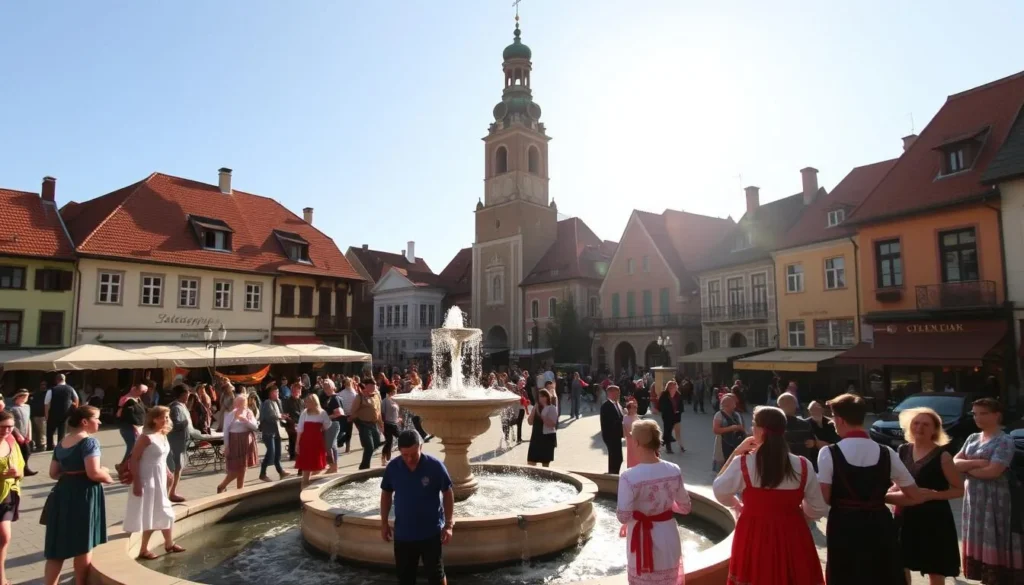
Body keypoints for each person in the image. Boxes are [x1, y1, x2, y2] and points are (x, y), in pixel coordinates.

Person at [818, 393, 927, 585]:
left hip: (844, 524)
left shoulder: (828, 453)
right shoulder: (887, 452)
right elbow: (915, 495)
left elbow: (825, 497)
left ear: (840, 420)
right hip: (878, 522)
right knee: (880, 574)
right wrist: (879, 498)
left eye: (833, 418)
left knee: (846, 574)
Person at [712, 406, 826, 585]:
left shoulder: (744, 462)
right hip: (793, 532)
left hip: (753, 532)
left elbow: (719, 490)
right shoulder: (803, 465)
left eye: (753, 425)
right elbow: (819, 507)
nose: (751, 430)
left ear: (760, 430)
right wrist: (800, 517)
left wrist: (737, 504)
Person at [954, 397, 1024, 583]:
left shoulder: (1004, 440)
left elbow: (993, 471)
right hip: (973, 497)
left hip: (995, 498)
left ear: (997, 415)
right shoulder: (972, 437)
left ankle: (999, 575)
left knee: (995, 534)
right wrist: (977, 463)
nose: (978, 418)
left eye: (983, 413)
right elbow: (955, 462)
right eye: (975, 414)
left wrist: (966, 468)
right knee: (978, 533)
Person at [43, 406, 114, 585]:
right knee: (83, 544)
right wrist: (107, 475)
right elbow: (93, 472)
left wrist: (71, 474)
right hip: (84, 494)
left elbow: (53, 473)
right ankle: (80, 583)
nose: (99, 422)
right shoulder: (89, 442)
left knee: (56, 548)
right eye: (97, 418)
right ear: (84, 422)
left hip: (62, 493)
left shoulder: (62, 443)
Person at [891, 407, 962, 584]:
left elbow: (959, 490)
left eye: (925, 424)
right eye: (916, 423)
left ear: (934, 430)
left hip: (934, 518)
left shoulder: (942, 455)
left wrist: (933, 495)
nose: (919, 428)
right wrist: (893, 491)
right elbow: (898, 482)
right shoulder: (902, 450)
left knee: (935, 568)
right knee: (901, 563)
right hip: (905, 515)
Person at [616, 419, 691, 584]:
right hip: (668, 534)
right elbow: (685, 507)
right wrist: (662, 506)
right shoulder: (673, 470)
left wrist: (642, 513)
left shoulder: (628, 477)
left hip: (641, 535)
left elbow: (623, 516)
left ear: (636, 442)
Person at [380, 430, 454, 585]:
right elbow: (386, 494)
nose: (409, 459)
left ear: (421, 446)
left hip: (431, 532)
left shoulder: (435, 466)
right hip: (403, 534)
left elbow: (447, 492)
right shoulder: (393, 467)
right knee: (405, 578)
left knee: (437, 575)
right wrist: (384, 523)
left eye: (413, 454)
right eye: (404, 455)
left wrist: (448, 524)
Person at [123, 406, 186, 560]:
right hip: (147, 477)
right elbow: (134, 459)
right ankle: (144, 549)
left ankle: (169, 543)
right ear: (154, 419)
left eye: (167, 417)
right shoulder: (146, 437)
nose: (167, 420)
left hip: (159, 477)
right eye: (164, 417)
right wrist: (137, 482)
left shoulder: (162, 434)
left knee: (165, 511)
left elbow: (161, 457)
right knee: (152, 512)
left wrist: (167, 470)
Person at [216, 395, 259, 494]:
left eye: (242, 404)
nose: (240, 406)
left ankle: (240, 489)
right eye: (238, 403)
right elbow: (226, 431)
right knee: (236, 469)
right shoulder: (230, 415)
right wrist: (226, 446)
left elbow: (255, 427)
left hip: (247, 441)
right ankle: (222, 486)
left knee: (244, 467)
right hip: (235, 441)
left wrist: (245, 420)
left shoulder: (249, 412)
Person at [0, 411, 24, 585]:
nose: (7, 430)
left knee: (4, 536)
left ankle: (1, 576)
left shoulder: (12, 442)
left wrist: (18, 473)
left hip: (7, 494)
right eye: (3, 427)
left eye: (10, 426)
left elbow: (21, 468)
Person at [166, 385, 200, 503]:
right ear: (181, 394)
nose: (188, 396)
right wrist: (185, 423)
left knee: (178, 466)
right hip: (175, 441)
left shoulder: (182, 406)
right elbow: (173, 426)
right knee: (174, 467)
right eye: (187, 394)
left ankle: (172, 492)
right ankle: (170, 493)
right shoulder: (175, 408)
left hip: (181, 441)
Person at [296, 395, 332, 488]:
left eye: (308, 402)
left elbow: (328, 425)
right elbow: (300, 429)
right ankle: (304, 486)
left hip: (317, 442)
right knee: (306, 467)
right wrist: (297, 444)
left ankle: (308, 485)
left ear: (314, 403)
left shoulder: (322, 413)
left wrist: (319, 430)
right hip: (306, 442)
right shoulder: (305, 413)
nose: (306, 404)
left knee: (316, 465)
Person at [349, 377, 384, 470]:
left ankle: (365, 464)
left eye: (375, 385)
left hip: (374, 423)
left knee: (376, 443)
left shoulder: (376, 395)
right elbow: (353, 411)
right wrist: (358, 422)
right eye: (371, 385)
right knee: (369, 447)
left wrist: (381, 423)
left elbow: (378, 411)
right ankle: (364, 467)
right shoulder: (360, 397)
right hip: (364, 424)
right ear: (366, 386)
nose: (374, 387)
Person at [259, 385, 292, 482]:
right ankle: (262, 473)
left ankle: (281, 471)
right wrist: (280, 416)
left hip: (277, 431)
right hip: (268, 432)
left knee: (277, 453)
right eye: (275, 392)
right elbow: (269, 417)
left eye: (278, 392)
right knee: (271, 452)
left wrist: (284, 416)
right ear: (270, 393)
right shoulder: (267, 403)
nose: (277, 393)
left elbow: (279, 414)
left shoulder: (278, 402)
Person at [45, 373, 79, 451]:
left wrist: (46, 415)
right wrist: (75, 408)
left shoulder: (52, 390)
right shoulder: (70, 388)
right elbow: (76, 398)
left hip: (53, 413)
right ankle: (61, 446)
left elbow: (46, 403)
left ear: (56, 380)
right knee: (62, 430)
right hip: (65, 413)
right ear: (64, 379)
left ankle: (50, 446)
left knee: (50, 430)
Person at [712, 394, 745, 472]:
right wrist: (731, 428)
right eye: (733, 403)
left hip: (735, 443)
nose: (735, 405)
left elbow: (742, 427)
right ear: (727, 405)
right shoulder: (719, 415)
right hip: (722, 443)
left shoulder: (736, 415)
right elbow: (716, 430)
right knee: (722, 467)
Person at [803, 400, 840, 471]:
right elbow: (804, 443)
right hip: (814, 460)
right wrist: (814, 443)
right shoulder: (804, 424)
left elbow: (839, 440)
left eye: (817, 409)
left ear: (822, 410)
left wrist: (828, 445)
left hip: (832, 456)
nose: (815, 411)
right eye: (812, 409)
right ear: (809, 411)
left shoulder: (831, 423)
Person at [526, 387, 559, 467]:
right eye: (540, 397)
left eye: (544, 396)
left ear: (548, 397)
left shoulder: (552, 408)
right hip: (536, 437)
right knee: (531, 461)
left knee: (545, 463)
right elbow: (530, 422)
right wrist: (534, 410)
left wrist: (543, 413)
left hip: (547, 438)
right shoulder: (536, 407)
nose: (542, 398)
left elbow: (552, 424)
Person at [117, 384, 148, 466]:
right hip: (130, 428)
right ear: (135, 389)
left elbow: (144, 409)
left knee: (134, 447)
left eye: (145, 391)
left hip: (137, 427)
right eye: (142, 391)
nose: (143, 393)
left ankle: (127, 465)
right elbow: (125, 416)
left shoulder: (138, 399)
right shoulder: (128, 400)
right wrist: (135, 425)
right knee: (132, 447)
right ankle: (123, 466)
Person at [777, 393, 814, 460]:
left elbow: (812, 442)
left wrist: (813, 443)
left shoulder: (805, 424)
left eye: (792, 403)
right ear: (779, 406)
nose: (790, 405)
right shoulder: (775, 425)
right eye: (786, 403)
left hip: (802, 463)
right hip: (783, 463)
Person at [9, 390, 36, 476]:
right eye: (25, 397)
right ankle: (20, 468)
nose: (26, 399)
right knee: (19, 451)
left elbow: (28, 420)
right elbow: (11, 423)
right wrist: (18, 434)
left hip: (26, 432)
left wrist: (29, 433)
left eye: (27, 397)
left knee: (28, 451)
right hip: (16, 433)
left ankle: (25, 467)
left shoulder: (27, 407)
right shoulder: (11, 408)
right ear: (18, 397)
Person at [600, 385, 625, 474]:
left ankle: (615, 473)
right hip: (611, 436)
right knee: (615, 458)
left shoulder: (617, 404)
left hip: (617, 436)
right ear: (610, 393)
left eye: (619, 393)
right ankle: (612, 474)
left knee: (619, 458)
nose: (618, 395)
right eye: (616, 393)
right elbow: (611, 421)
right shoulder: (606, 406)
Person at [322, 381, 344, 474]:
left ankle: (332, 466)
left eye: (327, 387)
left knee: (328, 446)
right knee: (333, 446)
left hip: (333, 424)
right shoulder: (332, 398)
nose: (325, 389)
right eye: (324, 387)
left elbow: (339, 413)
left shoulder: (334, 398)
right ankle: (334, 466)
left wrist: (327, 417)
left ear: (332, 387)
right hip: (333, 424)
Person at [658, 380, 684, 453]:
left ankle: (680, 445)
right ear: (668, 388)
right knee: (668, 431)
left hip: (676, 416)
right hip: (667, 416)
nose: (674, 389)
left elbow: (681, 406)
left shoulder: (678, 395)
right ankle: (668, 447)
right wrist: (668, 410)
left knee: (677, 431)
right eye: (672, 387)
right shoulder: (664, 395)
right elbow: (660, 406)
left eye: (675, 387)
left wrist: (679, 410)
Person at [381, 385, 402, 465]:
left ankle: (389, 457)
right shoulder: (385, 401)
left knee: (399, 438)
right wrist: (382, 424)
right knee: (389, 442)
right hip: (388, 424)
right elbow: (382, 413)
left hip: (395, 423)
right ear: (390, 392)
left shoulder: (395, 400)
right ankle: (384, 458)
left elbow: (396, 412)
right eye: (394, 390)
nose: (396, 391)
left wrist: (399, 419)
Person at [282, 382, 304, 461]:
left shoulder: (301, 401)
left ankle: (294, 454)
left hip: (300, 423)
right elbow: (286, 414)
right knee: (293, 439)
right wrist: (292, 422)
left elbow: (303, 412)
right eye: (294, 390)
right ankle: (294, 455)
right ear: (292, 391)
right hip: (291, 424)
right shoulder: (287, 401)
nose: (296, 392)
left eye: (298, 390)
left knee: (294, 440)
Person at [338, 377, 359, 453]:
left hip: (345, 414)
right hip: (354, 414)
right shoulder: (354, 392)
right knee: (359, 429)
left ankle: (347, 447)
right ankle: (348, 447)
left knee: (347, 431)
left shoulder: (341, 393)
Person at [30, 381, 47, 452]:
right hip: (35, 414)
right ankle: (38, 444)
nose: (43, 386)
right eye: (42, 384)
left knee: (41, 431)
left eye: (44, 385)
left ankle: (41, 444)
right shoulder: (36, 393)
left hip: (41, 415)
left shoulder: (46, 393)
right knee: (37, 431)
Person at [623, 399, 640, 469]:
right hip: (630, 439)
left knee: (638, 453)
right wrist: (629, 434)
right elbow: (624, 430)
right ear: (629, 409)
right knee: (631, 453)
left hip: (637, 438)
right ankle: (631, 467)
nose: (635, 409)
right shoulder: (625, 418)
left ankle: (638, 466)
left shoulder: (636, 417)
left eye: (635, 407)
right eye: (633, 407)